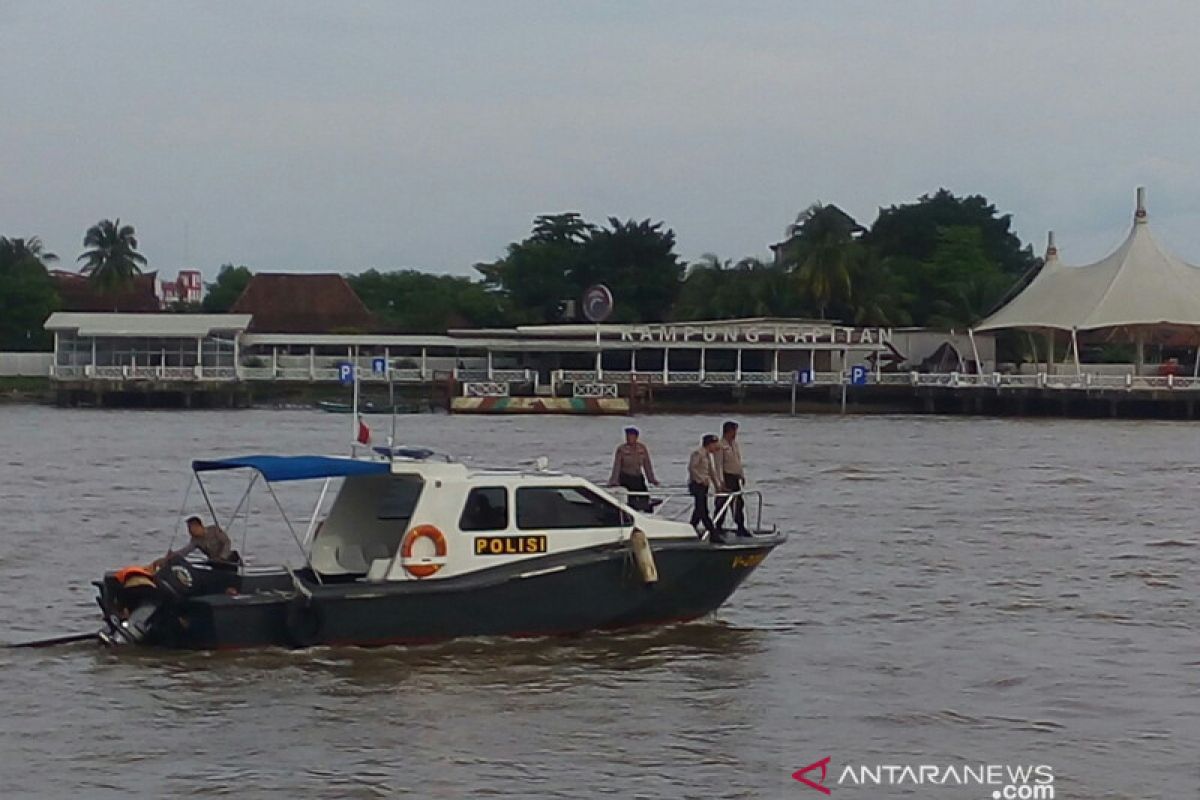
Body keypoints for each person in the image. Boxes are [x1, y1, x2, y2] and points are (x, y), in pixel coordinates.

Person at [607, 426, 660, 512]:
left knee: (644, 498)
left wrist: (652, 479)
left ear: (636, 437)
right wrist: (614, 481)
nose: (628, 438)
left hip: (638, 477)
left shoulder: (642, 448)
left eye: (630, 436)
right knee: (630, 500)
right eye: (627, 436)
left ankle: (647, 513)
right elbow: (617, 466)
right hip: (626, 478)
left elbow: (647, 465)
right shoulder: (622, 449)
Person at [154, 516, 235, 568]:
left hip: (229, 560)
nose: (190, 531)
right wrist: (170, 556)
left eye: (191, 528)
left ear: (199, 526)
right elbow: (185, 551)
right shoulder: (195, 540)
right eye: (188, 529)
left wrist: (222, 557)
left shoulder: (214, 530)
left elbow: (227, 542)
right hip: (215, 563)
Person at [715, 420, 751, 537]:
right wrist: (720, 482)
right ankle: (717, 526)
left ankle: (740, 526)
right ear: (728, 431)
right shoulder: (720, 446)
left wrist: (741, 475)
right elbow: (718, 464)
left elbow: (738, 461)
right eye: (733, 431)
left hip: (735, 477)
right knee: (722, 503)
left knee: (739, 503)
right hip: (726, 476)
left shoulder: (734, 445)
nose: (735, 434)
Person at [687, 434, 723, 541]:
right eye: (714, 444)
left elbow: (711, 471)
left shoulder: (708, 455)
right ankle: (713, 533)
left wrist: (717, 485)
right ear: (709, 444)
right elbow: (692, 468)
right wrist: (699, 479)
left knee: (698, 509)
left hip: (704, 485)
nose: (716, 447)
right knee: (703, 510)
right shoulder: (698, 453)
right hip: (697, 485)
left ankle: (691, 528)